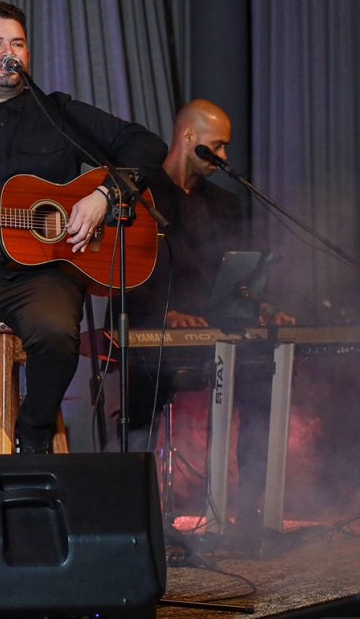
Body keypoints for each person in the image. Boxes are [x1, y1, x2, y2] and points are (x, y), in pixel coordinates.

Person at [0, 1, 168, 455]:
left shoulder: (58, 114)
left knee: (56, 335)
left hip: (43, 274)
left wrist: (104, 196)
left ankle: (35, 435)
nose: (9, 52)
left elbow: (147, 146)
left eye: (18, 44)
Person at [122, 99, 294, 531]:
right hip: (149, 329)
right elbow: (124, 274)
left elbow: (237, 276)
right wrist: (167, 314)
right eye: (216, 146)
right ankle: (136, 512)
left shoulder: (225, 204)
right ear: (188, 138)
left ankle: (251, 509)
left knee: (260, 377)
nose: (223, 156)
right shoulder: (139, 195)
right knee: (143, 395)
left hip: (214, 330)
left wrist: (260, 305)